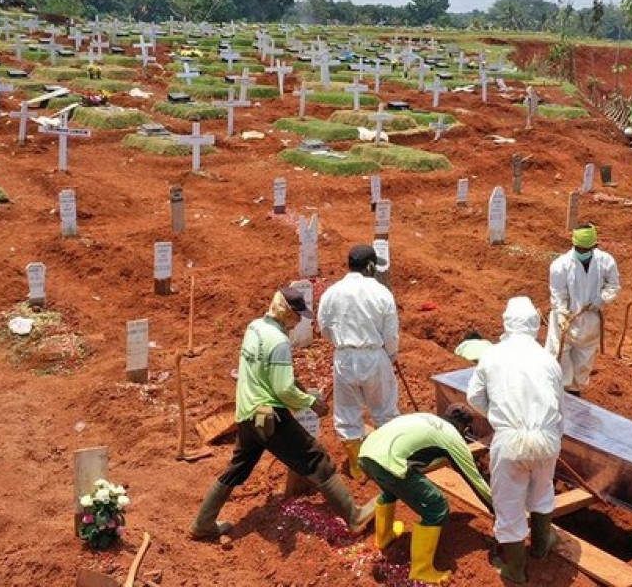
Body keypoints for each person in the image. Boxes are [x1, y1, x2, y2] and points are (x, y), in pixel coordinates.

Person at [189, 286, 376, 540]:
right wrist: (311, 402)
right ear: (287, 313)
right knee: (317, 460)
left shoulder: (255, 327)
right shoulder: (279, 342)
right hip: (268, 416)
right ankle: (353, 517)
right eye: (297, 315)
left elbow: (268, 373)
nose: (299, 321)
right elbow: (282, 388)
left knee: (238, 467)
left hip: (247, 412)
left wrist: (298, 387)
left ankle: (203, 522)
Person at [467, 297, 564, 584]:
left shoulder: (492, 356)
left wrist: (498, 416)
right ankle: (542, 543)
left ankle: (514, 570)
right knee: (542, 490)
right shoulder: (548, 360)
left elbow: (474, 397)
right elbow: (560, 407)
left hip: (509, 440)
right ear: (535, 324)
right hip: (547, 437)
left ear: (506, 322)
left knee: (509, 505)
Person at [357, 406, 493, 584]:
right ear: (465, 428)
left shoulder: (426, 418)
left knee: (391, 490)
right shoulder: (452, 437)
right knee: (436, 506)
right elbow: (475, 480)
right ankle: (422, 570)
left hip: (366, 453)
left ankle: (384, 537)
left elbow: (418, 457)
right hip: (387, 461)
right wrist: (497, 508)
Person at [317, 244, 400, 482]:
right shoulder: (381, 292)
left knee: (346, 413)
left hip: (344, 357)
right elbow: (391, 334)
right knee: (384, 410)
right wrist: (390, 355)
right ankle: (386, 461)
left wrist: (342, 344)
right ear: (371, 266)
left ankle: (357, 466)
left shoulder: (332, 293)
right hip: (374, 355)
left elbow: (324, 328)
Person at [544, 223, 621, 395]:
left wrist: (600, 300)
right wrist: (563, 315)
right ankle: (558, 392)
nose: (583, 252)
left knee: (583, 361)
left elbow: (614, 286)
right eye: (579, 248)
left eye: (587, 249)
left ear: (595, 246)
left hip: (590, 321)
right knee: (559, 356)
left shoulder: (606, 262)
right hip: (564, 322)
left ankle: (574, 393)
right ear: (573, 245)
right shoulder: (560, 265)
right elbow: (558, 294)